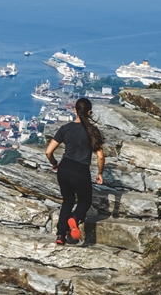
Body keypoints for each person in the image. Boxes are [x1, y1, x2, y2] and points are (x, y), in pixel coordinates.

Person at [45, 97, 105, 245]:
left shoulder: (65, 128)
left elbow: (48, 152)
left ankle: (60, 235)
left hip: (64, 169)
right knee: (84, 201)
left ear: (75, 110)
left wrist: (54, 163)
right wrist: (99, 173)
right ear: (90, 112)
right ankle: (75, 218)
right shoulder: (93, 131)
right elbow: (100, 156)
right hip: (80, 171)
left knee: (68, 201)